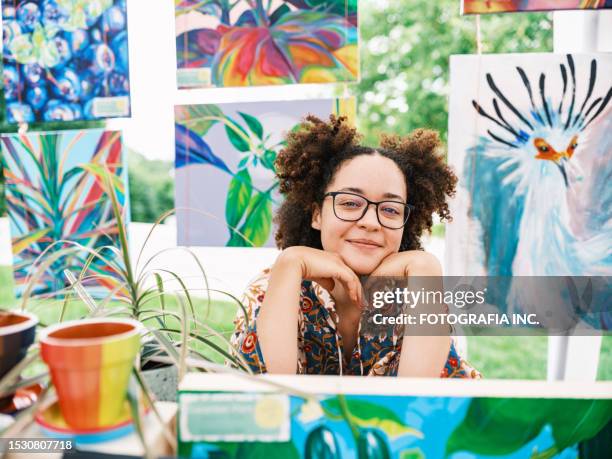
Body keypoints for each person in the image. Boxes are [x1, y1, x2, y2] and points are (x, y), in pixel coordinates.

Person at [231, 115, 480, 378]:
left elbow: (416, 399)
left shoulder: (419, 289)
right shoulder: (272, 287)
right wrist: (290, 262)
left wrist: (425, 265)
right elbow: (271, 399)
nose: (371, 222)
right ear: (317, 215)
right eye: (350, 203)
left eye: (390, 209)